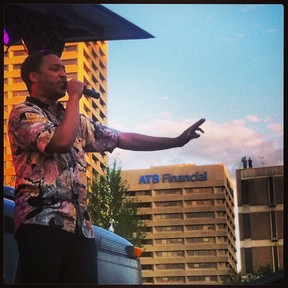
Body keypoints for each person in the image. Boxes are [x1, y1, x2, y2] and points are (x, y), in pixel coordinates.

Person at [8, 50, 205, 284]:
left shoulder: (77, 120)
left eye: (64, 69)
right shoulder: (24, 113)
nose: (64, 74)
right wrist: (73, 98)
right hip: (40, 223)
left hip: (80, 229)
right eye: (55, 69)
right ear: (33, 76)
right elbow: (59, 142)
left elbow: (121, 138)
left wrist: (175, 141)